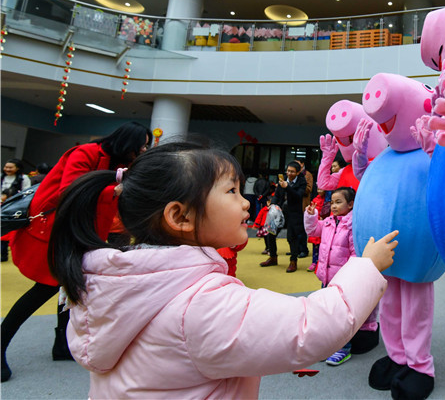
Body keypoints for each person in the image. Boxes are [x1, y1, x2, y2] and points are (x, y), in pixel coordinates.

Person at [47, 140, 398, 398]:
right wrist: (367, 268)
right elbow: (311, 327)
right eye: (231, 190)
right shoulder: (198, 305)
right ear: (180, 216)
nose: (245, 201)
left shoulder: (113, 281)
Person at [1, 122, 151, 383]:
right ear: (127, 144)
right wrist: (113, 186)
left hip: (78, 231)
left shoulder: (113, 161)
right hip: (56, 230)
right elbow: (69, 190)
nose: (143, 150)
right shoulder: (85, 153)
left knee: (70, 284)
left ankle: (61, 344)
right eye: (141, 146)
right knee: (47, 286)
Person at [305, 187, 380, 366]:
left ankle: (344, 347)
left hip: (343, 281)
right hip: (327, 278)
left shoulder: (353, 226)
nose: (334, 206)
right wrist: (311, 215)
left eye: (339, 202)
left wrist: (351, 277)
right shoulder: (329, 222)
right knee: (326, 313)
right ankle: (328, 345)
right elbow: (313, 230)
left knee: (342, 316)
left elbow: (356, 254)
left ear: (351, 204)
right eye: (332, 202)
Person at [274, 161, 307, 272]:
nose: (289, 173)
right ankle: (273, 257)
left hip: (294, 212)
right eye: (288, 171)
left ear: (298, 172)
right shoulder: (282, 178)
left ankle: (293, 261)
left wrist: (287, 187)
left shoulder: (302, 181)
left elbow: (298, 196)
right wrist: (273, 205)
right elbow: (277, 194)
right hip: (280, 210)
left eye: (292, 171)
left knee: (291, 237)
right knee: (270, 233)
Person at [1, 159, 31, 262]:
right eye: (6, 167)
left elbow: (27, 192)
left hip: (15, 206)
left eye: (10, 167)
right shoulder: (1, 177)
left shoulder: (23, 178)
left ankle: (5, 252)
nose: (7, 169)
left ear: (17, 168)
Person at [255, 195, 284, 267]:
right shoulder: (265, 209)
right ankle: (272, 256)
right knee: (269, 236)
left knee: (292, 237)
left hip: (288, 211)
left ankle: (294, 259)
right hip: (271, 220)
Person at [307, 188, 329, 272]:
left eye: (321, 189)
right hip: (317, 225)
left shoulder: (327, 200)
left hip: (324, 225)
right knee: (315, 246)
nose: (319, 191)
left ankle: (321, 263)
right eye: (318, 189)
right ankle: (314, 262)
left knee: (323, 246)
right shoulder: (315, 199)